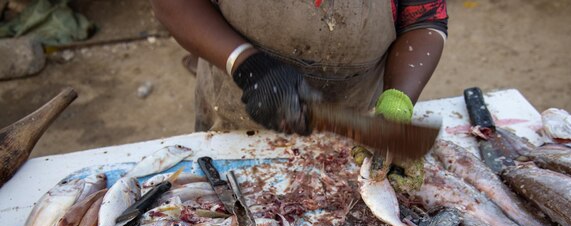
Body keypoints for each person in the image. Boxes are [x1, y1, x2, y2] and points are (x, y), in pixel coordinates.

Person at [150, 0, 448, 137]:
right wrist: (246, 64)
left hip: (353, 121)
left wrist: (398, 98)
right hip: (235, 115)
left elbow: (423, 20)